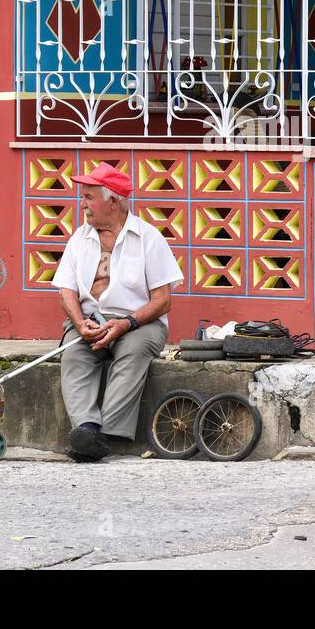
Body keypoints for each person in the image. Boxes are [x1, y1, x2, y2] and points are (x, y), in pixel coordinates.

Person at [52, 163, 184, 461]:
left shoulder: (148, 238)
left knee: (133, 352)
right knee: (74, 354)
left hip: (139, 322)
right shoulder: (79, 239)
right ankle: (86, 429)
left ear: (113, 201)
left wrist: (126, 323)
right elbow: (66, 292)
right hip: (89, 320)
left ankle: (103, 434)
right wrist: (80, 323)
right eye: (82, 196)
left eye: (88, 196)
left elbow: (163, 300)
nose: (82, 203)